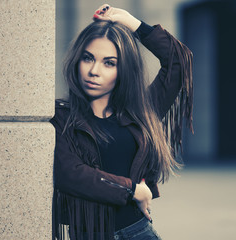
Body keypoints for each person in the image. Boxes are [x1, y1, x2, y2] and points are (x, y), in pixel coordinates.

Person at [50, 4, 193, 240]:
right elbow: (70, 174)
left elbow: (180, 61)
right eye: (88, 58)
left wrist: (131, 22)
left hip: (138, 232)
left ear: (124, 69)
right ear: (77, 61)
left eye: (109, 63)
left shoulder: (142, 110)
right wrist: (132, 189)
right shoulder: (61, 116)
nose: (94, 71)